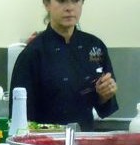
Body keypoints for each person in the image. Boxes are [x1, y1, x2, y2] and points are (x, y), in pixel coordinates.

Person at [10, 0, 118, 131]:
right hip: (44, 144)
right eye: (62, 1)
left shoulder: (94, 46)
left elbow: (104, 108)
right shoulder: (32, 53)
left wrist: (105, 95)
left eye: (75, 1)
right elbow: (18, 119)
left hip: (84, 140)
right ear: (46, 4)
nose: (70, 8)